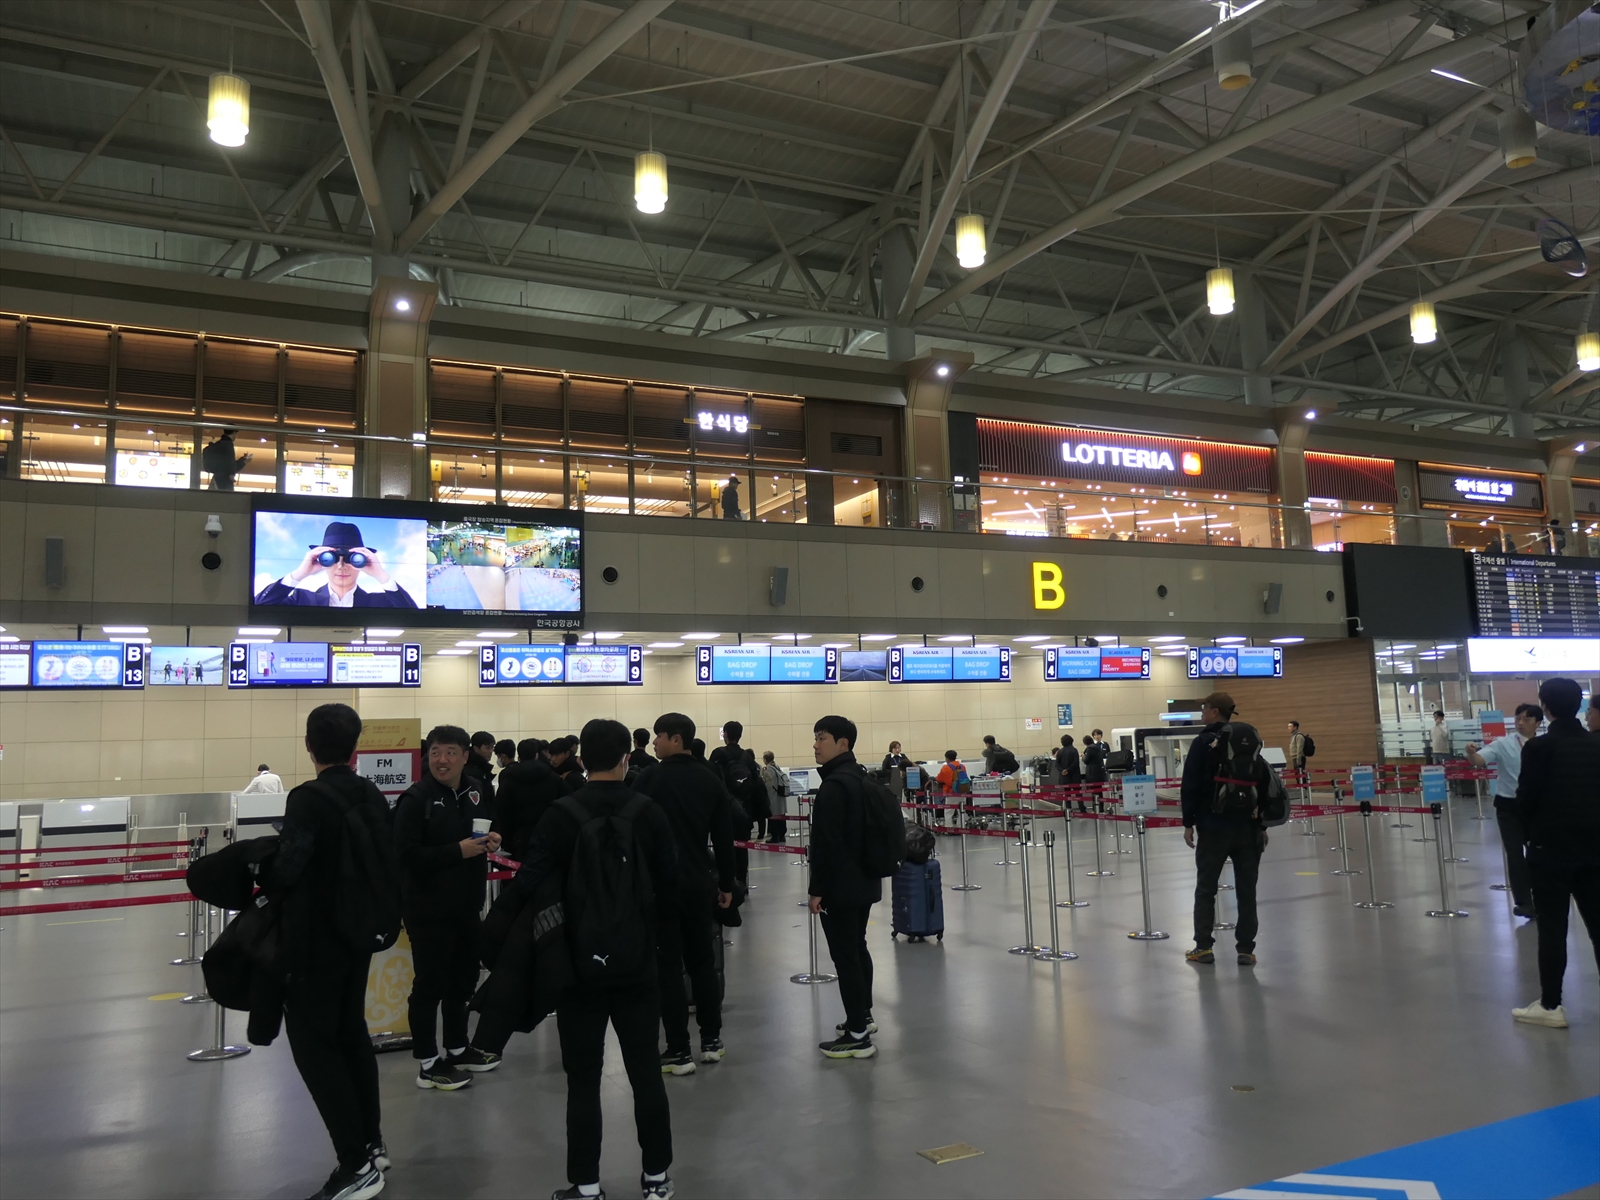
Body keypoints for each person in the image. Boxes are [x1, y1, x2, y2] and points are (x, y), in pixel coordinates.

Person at [507, 718, 679, 1200]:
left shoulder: (561, 814)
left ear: (581, 758)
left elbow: (530, 882)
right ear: (626, 758)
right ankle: (657, 1178)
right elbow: (671, 884)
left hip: (577, 966)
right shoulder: (649, 812)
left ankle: (585, 1185)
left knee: (582, 1078)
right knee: (645, 1070)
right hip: (638, 963)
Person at [274, 703, 397, 1200]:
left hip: (316, 941)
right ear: (356, 746)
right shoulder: (370, 792)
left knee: (314, 1045)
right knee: (350, 1033)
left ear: (309, 745)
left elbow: (289, 869)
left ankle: (355, 1163)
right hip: (359, 934)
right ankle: (371, 1143)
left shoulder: (307, 799)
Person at [392, 725, 500, 1090]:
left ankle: (457, 1048)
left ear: (466, 756)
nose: (442, 760)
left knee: (463, 981)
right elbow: (405, 855)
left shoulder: (477, 789)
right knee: (430, 984)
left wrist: (492, 839)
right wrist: (457, 851)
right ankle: (427, 1062)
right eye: (436, 752)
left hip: (467, 905)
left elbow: (486, 827)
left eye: (451, 752)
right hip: (427, 908)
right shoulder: (416, 798)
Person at [633, 713, 736, 1074]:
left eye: (659, 736)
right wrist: (727, 885)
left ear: (676, 739)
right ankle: (711, 1040)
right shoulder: (710, 779)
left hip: (660, 887)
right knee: (702, 963)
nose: (654, 743)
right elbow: (724, 837)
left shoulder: (649, 778)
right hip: (698, 885)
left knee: (668, 968)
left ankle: (677, 1049)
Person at [1511, 678, 1600, 1029]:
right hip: (1595, 850)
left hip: (1549, 852)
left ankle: (1551, 1005)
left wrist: (1531, 837)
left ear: (1545, 707)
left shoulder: (1538, 748)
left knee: (1552, 929)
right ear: (1579, 705)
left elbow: (1526, 800)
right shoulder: (1596, 745)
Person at [809, 715, 880, 1059]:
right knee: (857, 947)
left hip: (841, 886)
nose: (815, 745)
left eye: (821, 738)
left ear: (843, 744)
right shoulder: (860, 777)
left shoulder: (834, 785)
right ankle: (863, 1016)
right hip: (865, 879)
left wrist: (817, 889)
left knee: (845, 956)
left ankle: (857, 1036)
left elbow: (827, 843)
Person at [1181, 692, 1267, 967]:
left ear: (1215, 711)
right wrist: (1262, 823)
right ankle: (1246, 950)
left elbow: (1190, 783)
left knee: (1206, 888)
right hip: (1248, 826)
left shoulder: (1203, 742)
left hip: (1213, 824)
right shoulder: (1247, 740)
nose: (1202, 712)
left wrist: (1188, 822)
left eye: (1204, 708)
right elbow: (1263, 781)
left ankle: (1203, 947)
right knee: (1247, 890)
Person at [1465, 704, 1544, 919]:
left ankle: (1542, 896)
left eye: (1527, 719)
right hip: (1509, 806)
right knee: (1514, 853)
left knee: (1538, 853)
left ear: (1538, 723)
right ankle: (1524, 902)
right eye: (1518, 718)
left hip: (1536, 807)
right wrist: (1471, 753)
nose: (1520, 723)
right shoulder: (1503, 743)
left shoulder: (1544, 745)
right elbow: (1479, 760)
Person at [253, 521, 419, 609]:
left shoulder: (379, 602)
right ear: (321, 560)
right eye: (331, 559)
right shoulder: (302, 599)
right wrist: (300, 573)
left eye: (351, 559)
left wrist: (381, 575)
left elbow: (412, 615)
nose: (341, 565)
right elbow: (259, 606)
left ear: (363, 562)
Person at [492, 737, 574, 864]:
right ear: (537, 755)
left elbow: (501, 811)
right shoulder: (553, 777)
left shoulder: (509, 779)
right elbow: (568, 801)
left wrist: (507, 841)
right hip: (549, 834)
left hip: (519, 837)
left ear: (519, 756)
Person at [710, 721, 767, 841]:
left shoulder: (718, 753)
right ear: (740, 735)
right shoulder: (747, 756)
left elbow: (711, 778)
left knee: (724, 845)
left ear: (725, 734)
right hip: (745, 809)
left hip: (724, 808)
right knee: (743, 845)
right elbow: (756, 781)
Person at [761, 750, 789, 843]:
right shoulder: (777, 768)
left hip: (773, 798)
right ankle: (782, 836)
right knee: (781, 817)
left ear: (765, 760)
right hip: (781, 797)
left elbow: (767, 786)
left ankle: (775, 836)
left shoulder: (768, 770)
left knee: (773, 817)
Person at [465, 731, 498, 804]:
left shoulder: (483, 768)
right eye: (487, 748)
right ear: (476, 748)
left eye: (492, 747)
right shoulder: (471, 771)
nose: (491, 751)